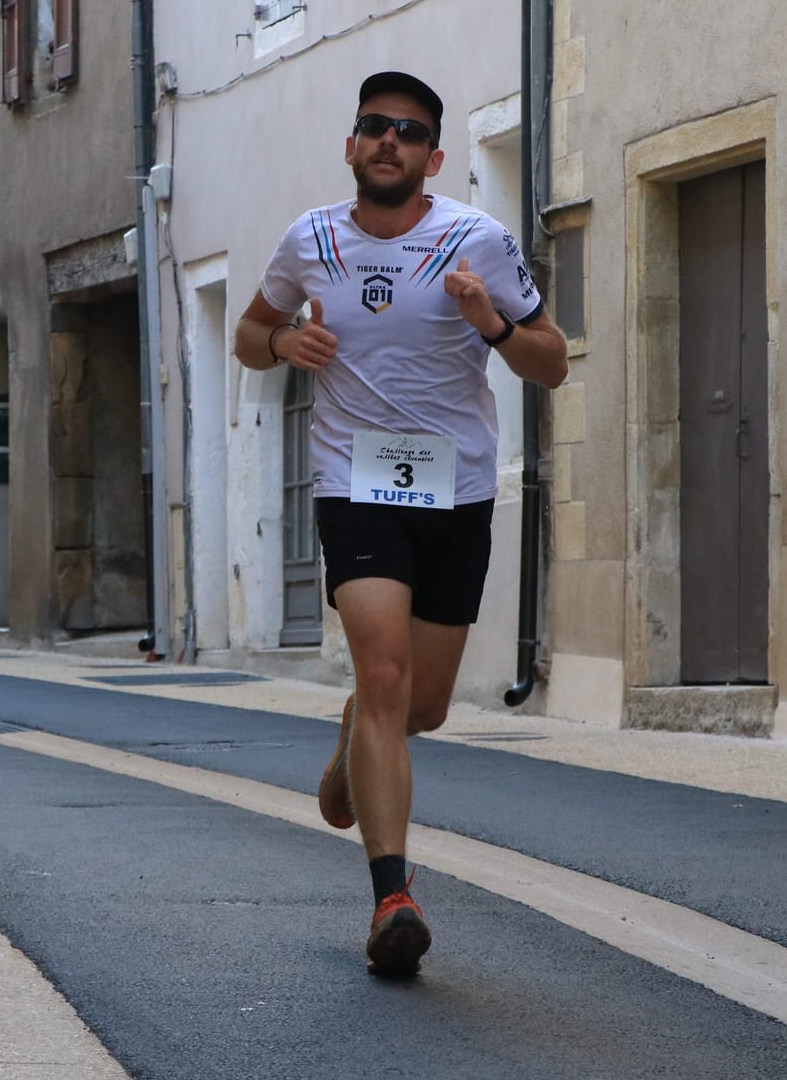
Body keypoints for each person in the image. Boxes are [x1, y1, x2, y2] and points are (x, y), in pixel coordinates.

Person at [234, 71, 568, 976]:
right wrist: (281, 344)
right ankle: (393, 898)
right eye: (375, 127)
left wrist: (490, 322)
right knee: (384, 670)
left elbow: (552, 364)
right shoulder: (310, 242)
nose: (391, 141)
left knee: (419, 705)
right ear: (351, 145)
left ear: (433, 157)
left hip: (453, 492)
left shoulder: (478, 241)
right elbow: (247, 332)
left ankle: (358, 730)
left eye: (410, 132)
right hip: (356, 481)